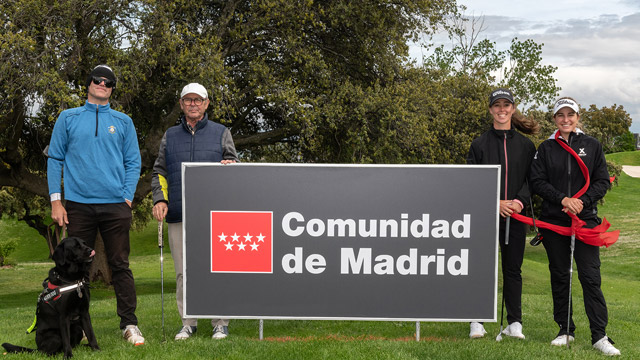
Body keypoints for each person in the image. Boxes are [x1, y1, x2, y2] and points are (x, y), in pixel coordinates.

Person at [47, 65, 144, 345]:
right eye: (97, 79)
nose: (102, 84)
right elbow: (55, 159)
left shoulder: (123, 121)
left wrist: (126, 197)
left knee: (120, 265)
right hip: (78, 205)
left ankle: (129, 324)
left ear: (112, 88)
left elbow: (133, 162)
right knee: (75, 268)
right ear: (88, 83)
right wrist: (56, 201)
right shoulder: (68, 118)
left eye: (108, 82)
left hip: (115, 206)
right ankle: (73, 326)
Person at [529, 97, 620, 355]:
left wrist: (581, 201)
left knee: (590, 277)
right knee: (560, 276)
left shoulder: (591, 145)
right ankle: (565, 329)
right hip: (555, 222)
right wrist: (563, 200)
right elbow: (537, 181)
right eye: (561, 115)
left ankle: (599, 336)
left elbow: (602, 181)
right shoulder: (546, 148)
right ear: (555, 118)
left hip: (585, 220)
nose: (566, 119)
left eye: (571, 114)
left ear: (578, 117)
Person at [151, 83, 238, 341]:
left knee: (217, 269)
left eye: (197, 100)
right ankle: (188, 323)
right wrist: (160, 199)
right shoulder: (170, 135)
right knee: (182, 272)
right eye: (188, 100)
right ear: (181, 104)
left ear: (206, 103)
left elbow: (234, 166)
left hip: (215, 215)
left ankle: (220, 323)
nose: (193, 104)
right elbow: (159, 172)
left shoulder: (221, 133)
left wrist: (230, 165)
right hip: (179, 213)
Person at [466, 88, 538, 339]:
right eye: (497, 105)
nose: (502, 109)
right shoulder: (479, 144)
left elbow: (533, 180)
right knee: (482, 267)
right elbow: (471, 181)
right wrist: (494, 202)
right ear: (490, 110)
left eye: (506, 105)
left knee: (513, 269)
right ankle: (477, 319)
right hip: (486, 214)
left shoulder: (526, 145)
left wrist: (519, 201)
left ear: (513, 108)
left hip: (516, 216)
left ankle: (514, 322)